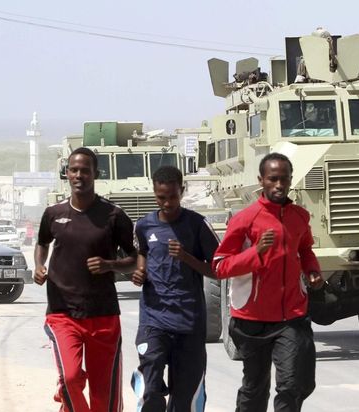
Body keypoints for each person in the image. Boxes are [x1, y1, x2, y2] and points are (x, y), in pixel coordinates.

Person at [212, 152, 323, 412]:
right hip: (252, 320)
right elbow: (220, 266)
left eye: (284, 179)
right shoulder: (245, 219)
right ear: (261, 180)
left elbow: (305, 249)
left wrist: (312, 270)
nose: (279, 185)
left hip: (292, 316)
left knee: (295, 384)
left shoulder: (299, 216)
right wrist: (256, 252)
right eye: (273, 179)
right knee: (255, 387)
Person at [34, 147, 138, 412]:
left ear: (95, 174)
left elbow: (135, 259)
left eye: (85, 170)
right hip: (62, 313)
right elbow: (42, 243)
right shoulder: (53, 213)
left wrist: (109, 265)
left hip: (103, 315)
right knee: (70, 378)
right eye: (74, 170)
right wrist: (38, 265)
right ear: (66, 173)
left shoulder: (113, 215)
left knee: (104, 396)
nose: (78, 175)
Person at [131, 165, 219, 412]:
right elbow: (141, 253)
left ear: (182, 190)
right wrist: (140, 272)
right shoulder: (144, 226)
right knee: (150, 392)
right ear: (154, 193)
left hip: (188, 323)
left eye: (173, 196)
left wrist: (186, 257)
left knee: (184, 402)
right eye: (161, 197)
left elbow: (217, 270)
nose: (167, 203)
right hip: (153, 320)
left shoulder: (197, 225)